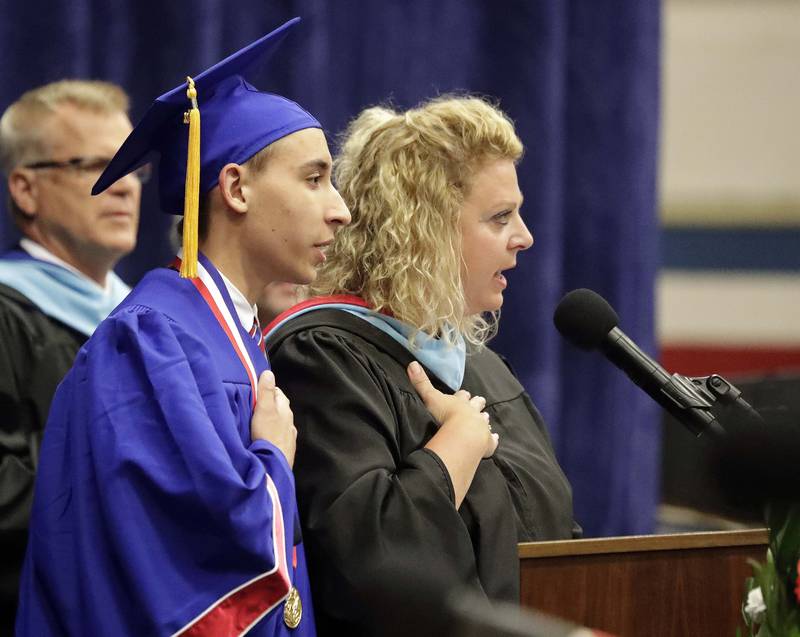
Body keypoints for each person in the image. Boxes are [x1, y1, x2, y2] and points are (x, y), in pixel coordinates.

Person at [16, 18, 349, 636]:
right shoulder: (150, 341)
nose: (340, 208)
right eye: (314, 178)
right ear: (236, 188)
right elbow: (185, 554)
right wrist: (274, 456)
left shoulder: (230, 337)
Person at [264, 97, 579, 635]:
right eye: (500, 217)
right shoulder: (322, 359)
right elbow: (367, 569)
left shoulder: (480, 368)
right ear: (425, 229)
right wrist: (452, 451)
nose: (524, 236)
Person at [0, 79, 143, 630]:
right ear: (25, 189)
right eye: (96, 166)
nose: (126, 187)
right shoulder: (10, 315)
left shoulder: (145, 320)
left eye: (132, 167)